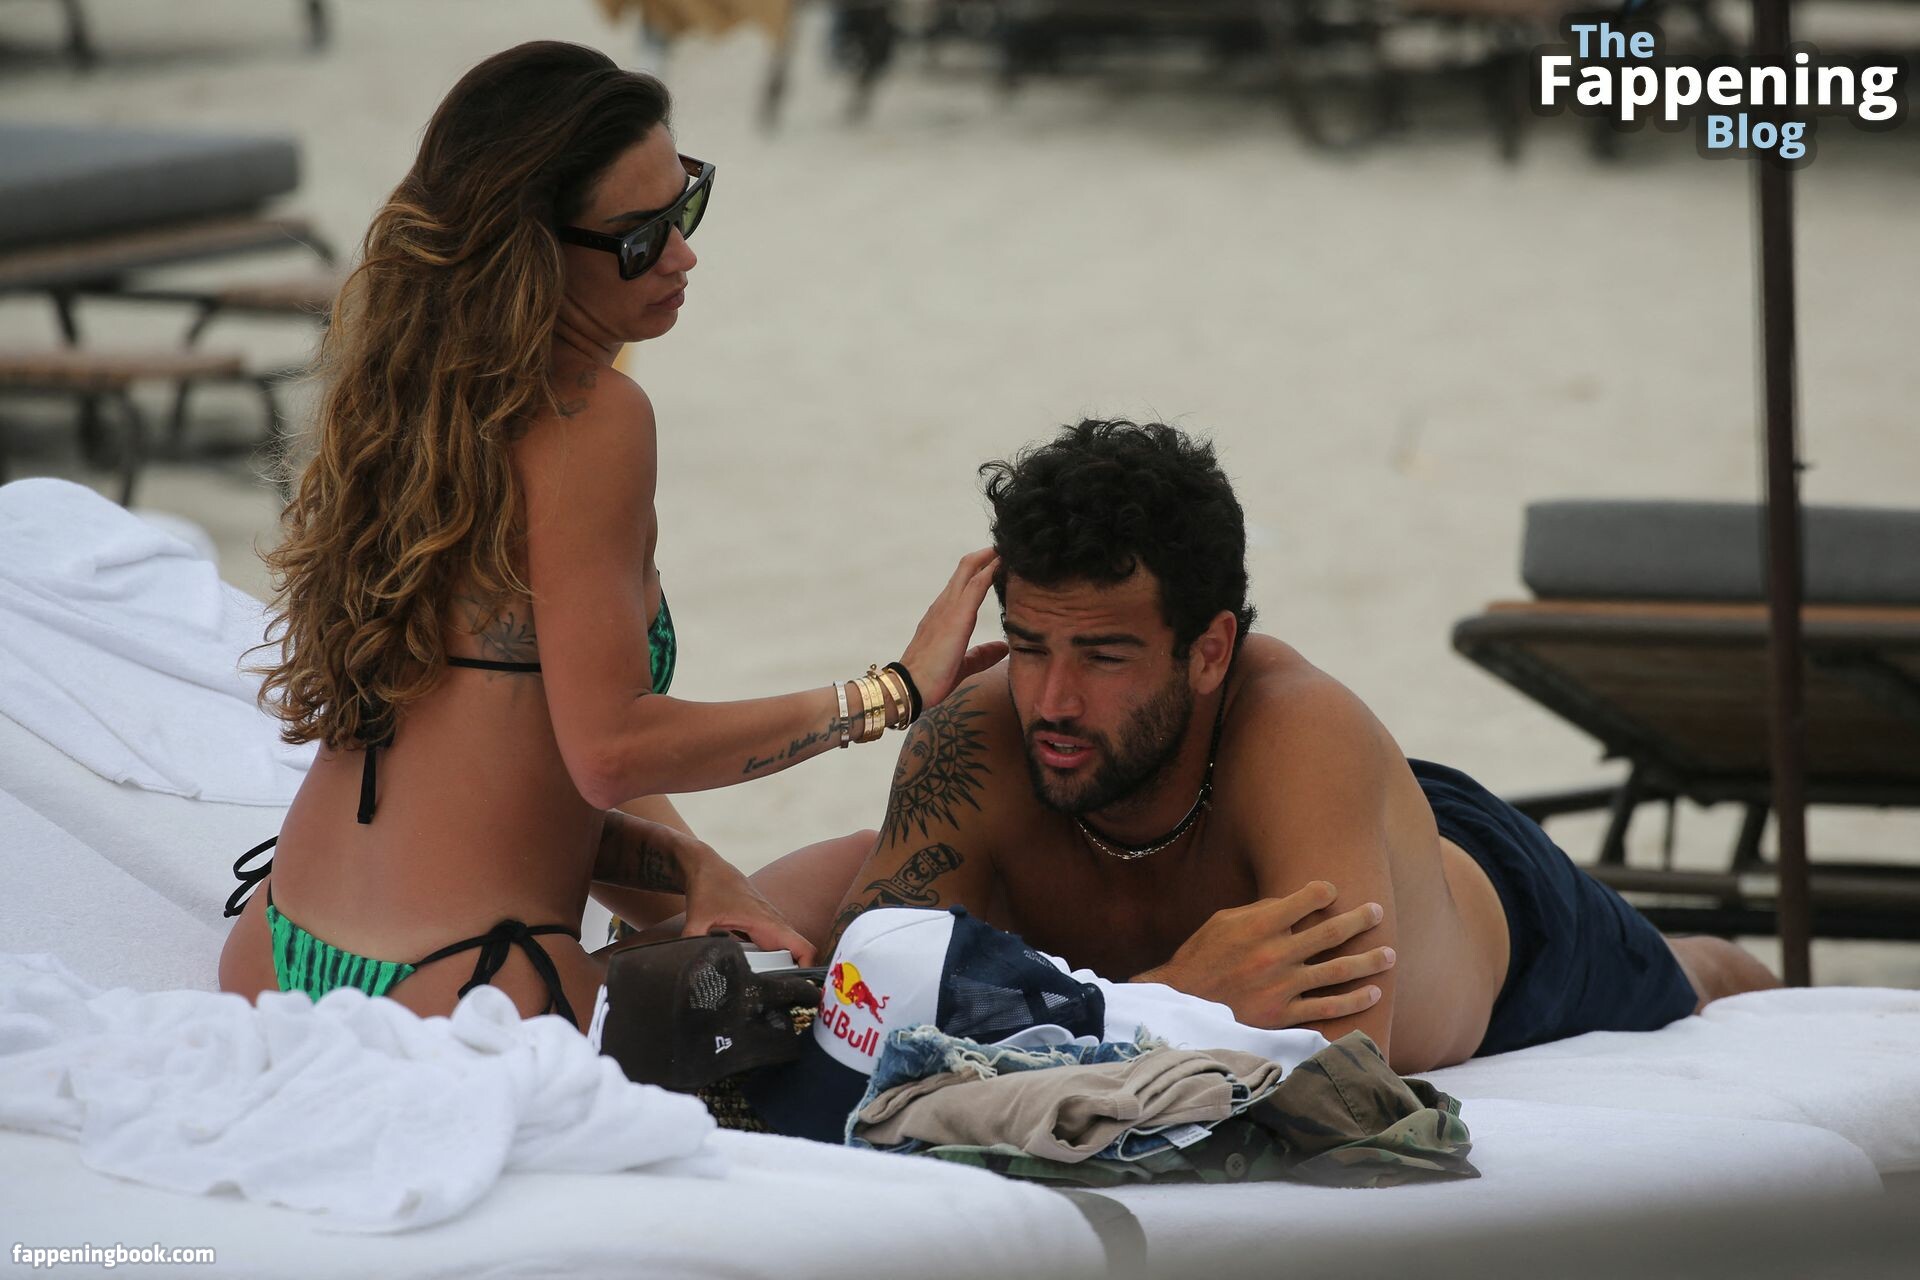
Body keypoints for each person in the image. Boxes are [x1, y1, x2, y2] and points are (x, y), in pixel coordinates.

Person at [218, 42, 1003, 1029]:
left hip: (280, 944)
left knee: (782, 900)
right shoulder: (589, 420)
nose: (681, 254)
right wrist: (890, 693)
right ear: (529, 253)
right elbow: (613, 749)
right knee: (866, 884)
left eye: (687, 205)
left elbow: (498, 761)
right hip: (466, 982)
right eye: (638, 239)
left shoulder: (414, 404)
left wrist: (687, 864)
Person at [826, 419, 1779, 1074]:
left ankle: (1743, 966)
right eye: (1030, 647)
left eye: (1105, 657)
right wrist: (1173, 994)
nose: (1053, 700)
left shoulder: (1297, 731)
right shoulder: (974, 738)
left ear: (1210, 651)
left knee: (1694, 979)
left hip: (1493, 911)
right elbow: (855, 1008)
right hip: (1285, 844)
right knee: (817, 883)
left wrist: (1104, 1006)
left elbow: (1343, 1071)